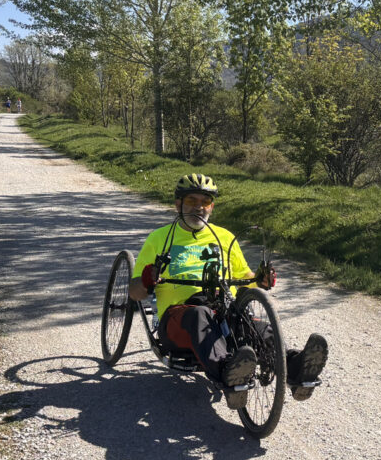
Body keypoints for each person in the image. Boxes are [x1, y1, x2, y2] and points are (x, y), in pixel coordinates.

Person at [129, 173, 328, 409]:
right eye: (191, 200)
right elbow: (135, 293)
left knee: (251, 325)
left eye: (205, 202)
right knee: (199, 315)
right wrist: (147, 280)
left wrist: (260, 280)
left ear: (212, 206)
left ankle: (296, 368)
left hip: (221, 310)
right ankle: (229, 375)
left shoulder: (224, 237)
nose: (199, 207)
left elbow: (244, 278)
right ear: (178, 203)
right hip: (179, 319)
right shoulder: (159, 238)